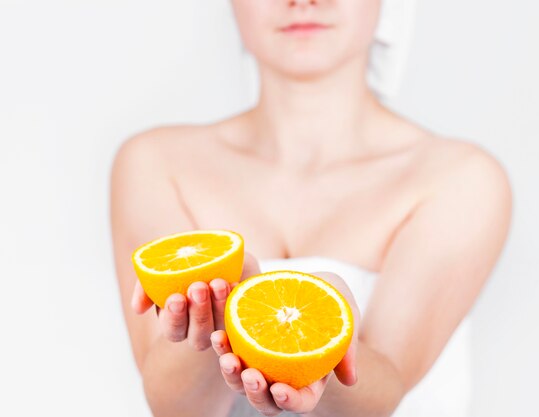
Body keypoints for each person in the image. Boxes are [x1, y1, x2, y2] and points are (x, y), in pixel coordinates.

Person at [110, 0, 512, 416]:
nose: (303, 1)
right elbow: (176, 408)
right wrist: (226, 305)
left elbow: (384, 391)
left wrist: (329, 344)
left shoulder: (460, 178)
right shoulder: (155, 163)